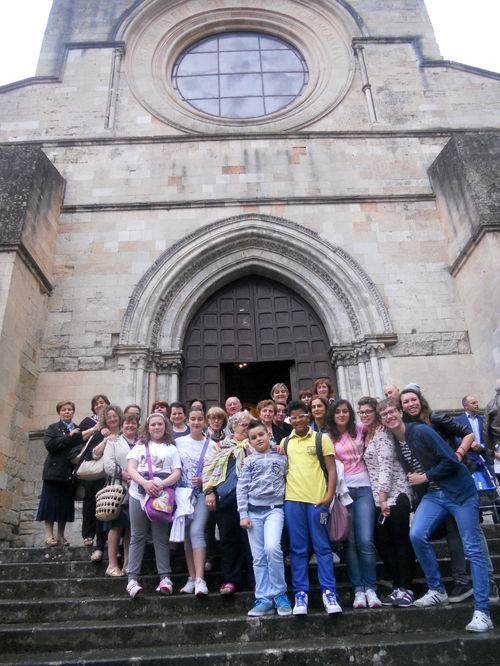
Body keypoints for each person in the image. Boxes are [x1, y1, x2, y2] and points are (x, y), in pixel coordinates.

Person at [378, 399, 493, 633]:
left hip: (459, 492)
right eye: (384, 414)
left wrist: (425, 477)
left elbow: (452, 460)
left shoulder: (420, 431)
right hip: (434, 495)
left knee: (472, 548)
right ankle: (437, 590)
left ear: (400, 413)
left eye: (392, 411)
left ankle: (483, 611)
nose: (389, 416)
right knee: (417, 535)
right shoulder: (396, 441)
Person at [398, 387, 494, 603]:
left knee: (473, 535)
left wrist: (458, 455)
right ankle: (461, 582)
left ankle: (489, 584)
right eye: (406, 402)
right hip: (436, 488)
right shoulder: (407, 429)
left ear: (421, 400)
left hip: (456, 481)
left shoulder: (434, 417)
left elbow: (467, 433)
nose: (411, 404)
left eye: (414, 400)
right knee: (451, 533)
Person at [283, 399, 341, 616]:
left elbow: (332, 469)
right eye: (293, 417)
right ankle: (301, 593)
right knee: (297, 549)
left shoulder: (320, 438)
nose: (298, 420)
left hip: (317, 500)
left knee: (322, 547)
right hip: (293, 500)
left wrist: (329, 496)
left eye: (301, 416)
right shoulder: (286, 442)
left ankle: (329, 592)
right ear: (289, 420)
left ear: (308, 416)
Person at [359, 396, 415, 607]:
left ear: (376, 413)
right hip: (380, 498)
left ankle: (407, 588)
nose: (364, 415)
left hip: (395, 494)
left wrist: (382, 498)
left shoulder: (382, 434)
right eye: (361, 412)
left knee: (400, 540)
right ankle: (398, 584)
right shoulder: (368, 434)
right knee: (383, 542)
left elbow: (386, 465)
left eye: (368, 411)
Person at [326, 398, 381, 609]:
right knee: (349, 542)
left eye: (345, 411)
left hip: (365, 488)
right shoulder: (327, 437)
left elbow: (380, 426)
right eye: (338, 412)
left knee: (366, 541)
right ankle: (358, 589)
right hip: (344, 492)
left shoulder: (361, 430)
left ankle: (371, 588)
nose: (341, 415)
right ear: (333, 414)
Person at [237, 420, 291, 616]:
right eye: (253, 437)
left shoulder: (281, 455)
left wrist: (280, 448)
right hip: (253, 512)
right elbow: (241, 488)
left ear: (268, 434)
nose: (258, 439)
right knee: (258, 557)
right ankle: (263, 598)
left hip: (274, 510)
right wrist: (243, 514)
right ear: (249, 442)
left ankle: (279, 594)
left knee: (272, 548)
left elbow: (288, 476)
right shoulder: (249, 461)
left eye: (261, 435)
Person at [125, 413, 181, 598]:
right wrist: (145, 484)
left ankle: (165, 578)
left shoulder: (171, 449)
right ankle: (132, 578)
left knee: (160, 536)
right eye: (153, 425)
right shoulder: (139, 447)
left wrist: (160, 485)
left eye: (160, 424)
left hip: (161, 496)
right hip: (138, 493)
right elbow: (131, 468)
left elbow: (176, 472)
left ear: (165, 426)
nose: (156, 427)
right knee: (137, 535)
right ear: (147, 428)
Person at [202, 410, 254, 595]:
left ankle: (254, 579)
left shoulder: (257, 444)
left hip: (251, 499)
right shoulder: (220, 447)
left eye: (250, 425)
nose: (247, 428)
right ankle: (232, 579)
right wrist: (209, 491)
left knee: (252, 541)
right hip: (226, 498)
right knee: (228, 540)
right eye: (244, 424)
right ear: (233, 426)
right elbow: (208, 470)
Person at [176, 407, 213, 596]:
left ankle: (200, 579)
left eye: (200, 419)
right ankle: (191, 578)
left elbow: (216, 474)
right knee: (186, 534)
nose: (196, 422)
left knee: (197, 530)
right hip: (183, 496)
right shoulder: (178, 443)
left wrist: (205, 483)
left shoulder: (212, 445)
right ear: (187, 422)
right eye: (193, 419)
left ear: (204, 422)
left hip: (200, 494)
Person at [36, 400, 84, 546]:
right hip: (53, 472)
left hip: (69, 473)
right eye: (64, 410)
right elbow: (50, 445)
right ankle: (49, 535)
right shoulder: (53, 428)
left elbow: (80, 448)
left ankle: (61, 536)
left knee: (64, 504)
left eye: (69, 409)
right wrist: (69, 436)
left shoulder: (78, 429)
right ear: (59, 413)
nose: (67, 412)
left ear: (73, 412)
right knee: (50, 504)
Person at [102, 408, 135, 577]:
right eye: (127, 423)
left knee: (131, 527)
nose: (130, 425)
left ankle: (128, 563)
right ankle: (112, 564)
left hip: (135, 490)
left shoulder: (141, 443)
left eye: (133, 423)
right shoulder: (114, 442)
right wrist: (124, 474)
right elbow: (107, 465)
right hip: (118, 489)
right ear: (122, 425)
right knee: (115, 527)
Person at [78, 394, 111, 561]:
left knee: (104, 503)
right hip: (91, 466)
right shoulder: (87, 422)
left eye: (102, 403)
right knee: (90, 501)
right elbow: (79, 440)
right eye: (96, 403)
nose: (99, 405)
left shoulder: (112, 422)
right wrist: (96, 429)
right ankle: (88, 535)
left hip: (107, 469)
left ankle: (102, 538)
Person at [484, 379, 500, 463]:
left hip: (496, 444)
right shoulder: (492, 404)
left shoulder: (490, 404)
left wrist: (489, 451)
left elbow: (486, 428)